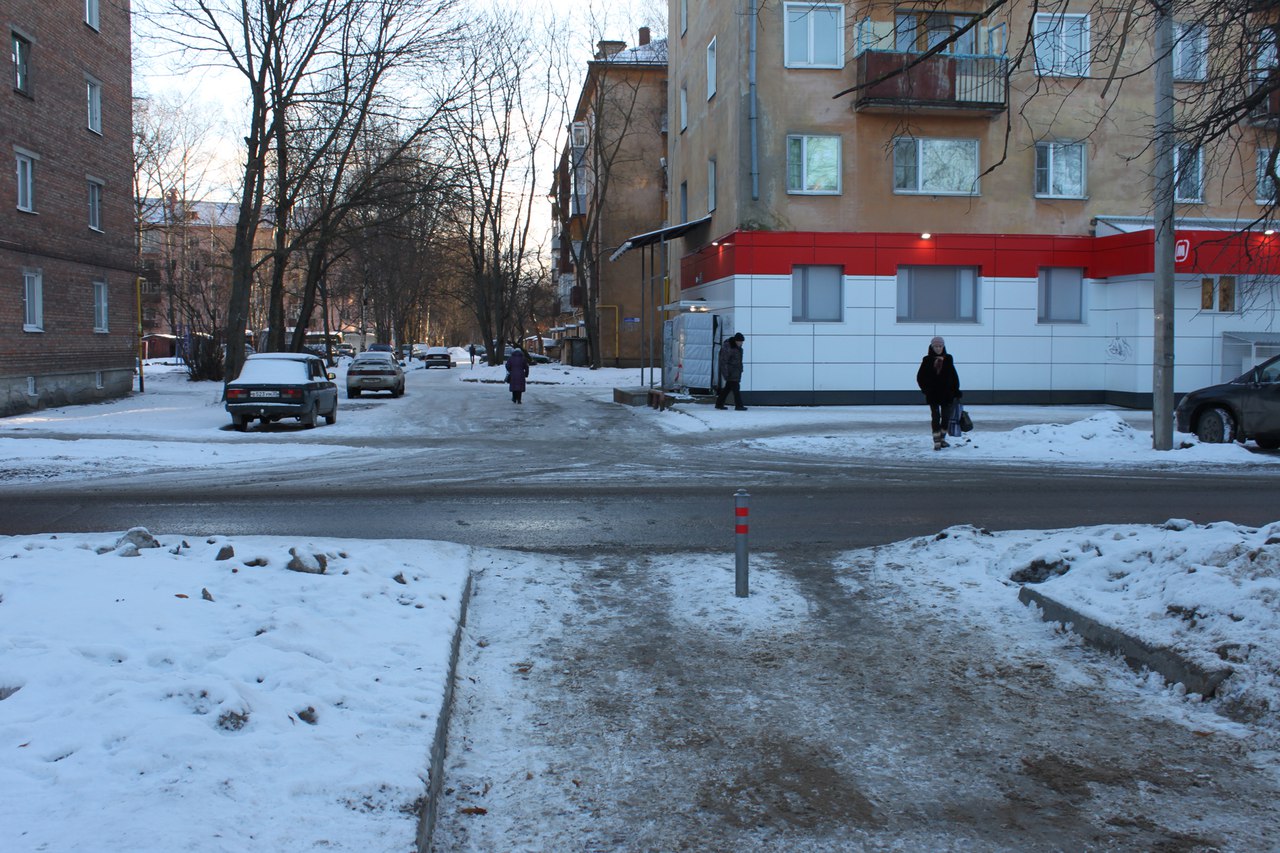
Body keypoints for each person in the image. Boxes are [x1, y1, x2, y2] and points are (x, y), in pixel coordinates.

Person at [916, 335, 961, 451]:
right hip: (933, 394)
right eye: (935, 346)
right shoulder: (927, 360)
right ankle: (936, 441)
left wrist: (956, 391)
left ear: (943, 346)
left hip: (947, 394)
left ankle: (942, 439)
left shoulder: (949, 358)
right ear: (932, 347)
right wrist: (926, 390)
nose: (938, 348)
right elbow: (920, 377)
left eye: (940, 346)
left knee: (946, 417)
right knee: (935, 417)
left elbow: (954, 376)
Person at [714, 332, 747, 411]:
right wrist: (726, 374)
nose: (741, 343)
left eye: (742, 342)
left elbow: (739, 361)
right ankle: (739, 405)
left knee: (727, 389)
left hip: (736, 372)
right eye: (740, 341)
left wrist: (741, 369)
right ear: (736, 341)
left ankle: (719, 404)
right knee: (736, 389)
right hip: (731, 372)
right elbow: (723, 361)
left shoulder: (739, 349)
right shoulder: (728, 347)